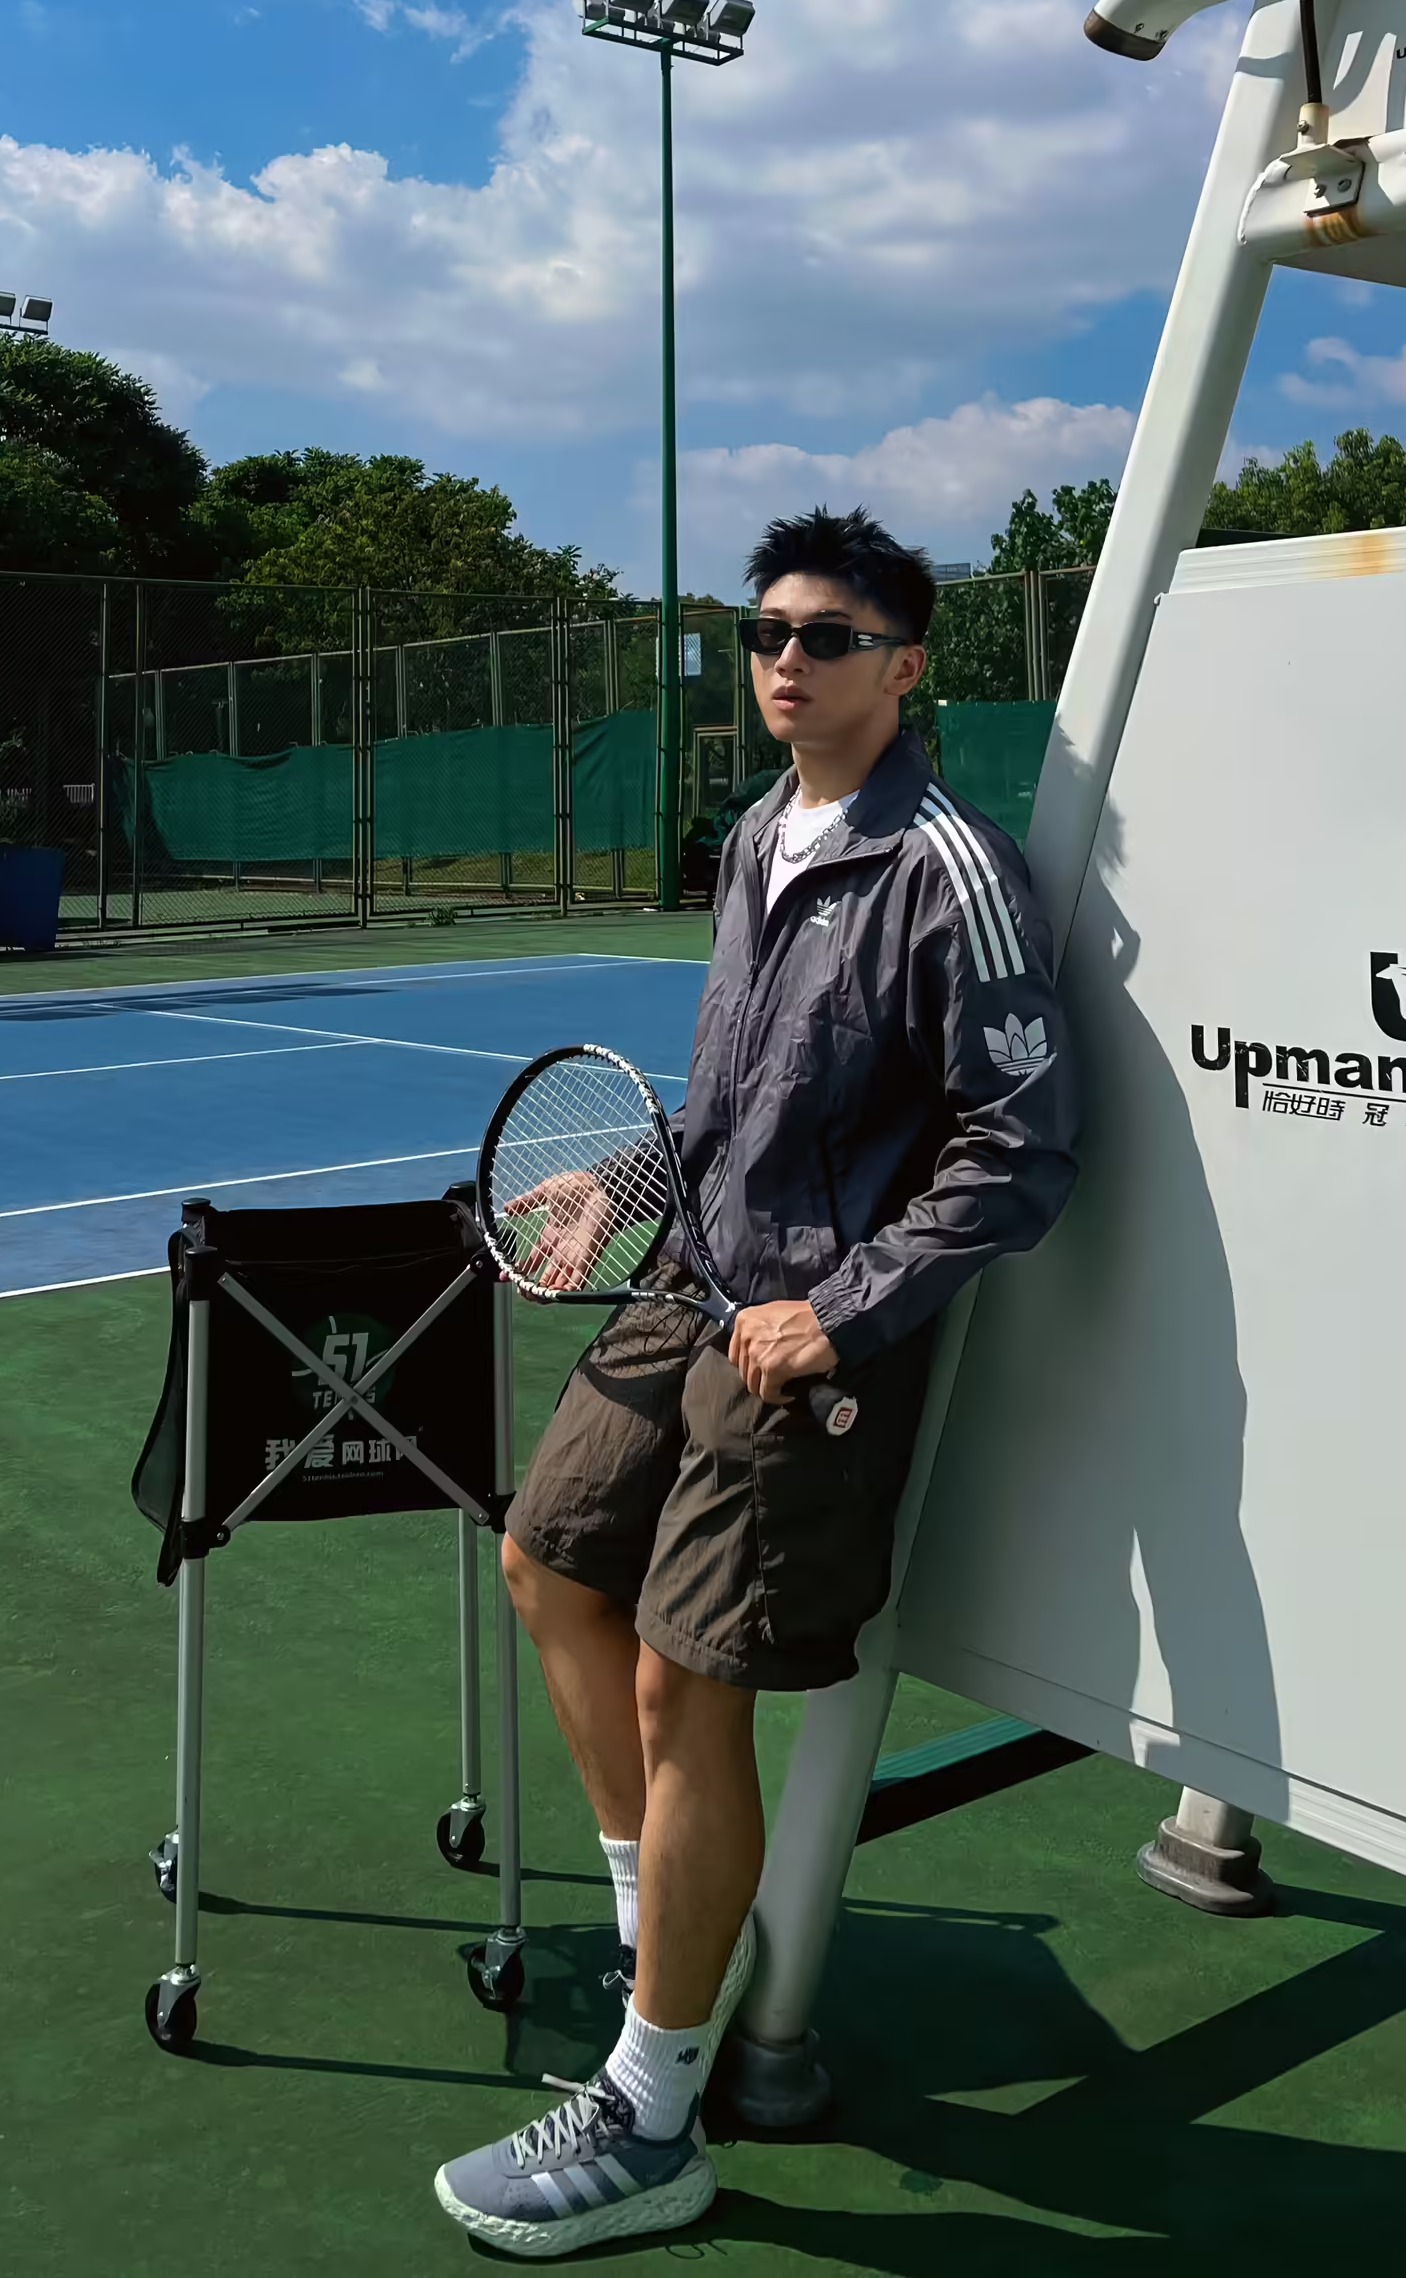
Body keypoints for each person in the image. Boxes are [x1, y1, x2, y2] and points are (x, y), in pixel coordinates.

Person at [434, 506, 1079, 2257]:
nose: (786, 659)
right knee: (546, 1557)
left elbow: (1020, 1149)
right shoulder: (751, 835)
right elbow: (729, 1100)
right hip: (690, 1282)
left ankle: (653, 2114)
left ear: (904, 665)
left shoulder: (949, 868)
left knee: (680, 1675)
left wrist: (843, 1311)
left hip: (808, 1334)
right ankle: (670, 1944)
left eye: (827, 635)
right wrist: (628, 1179)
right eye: (766, 631)